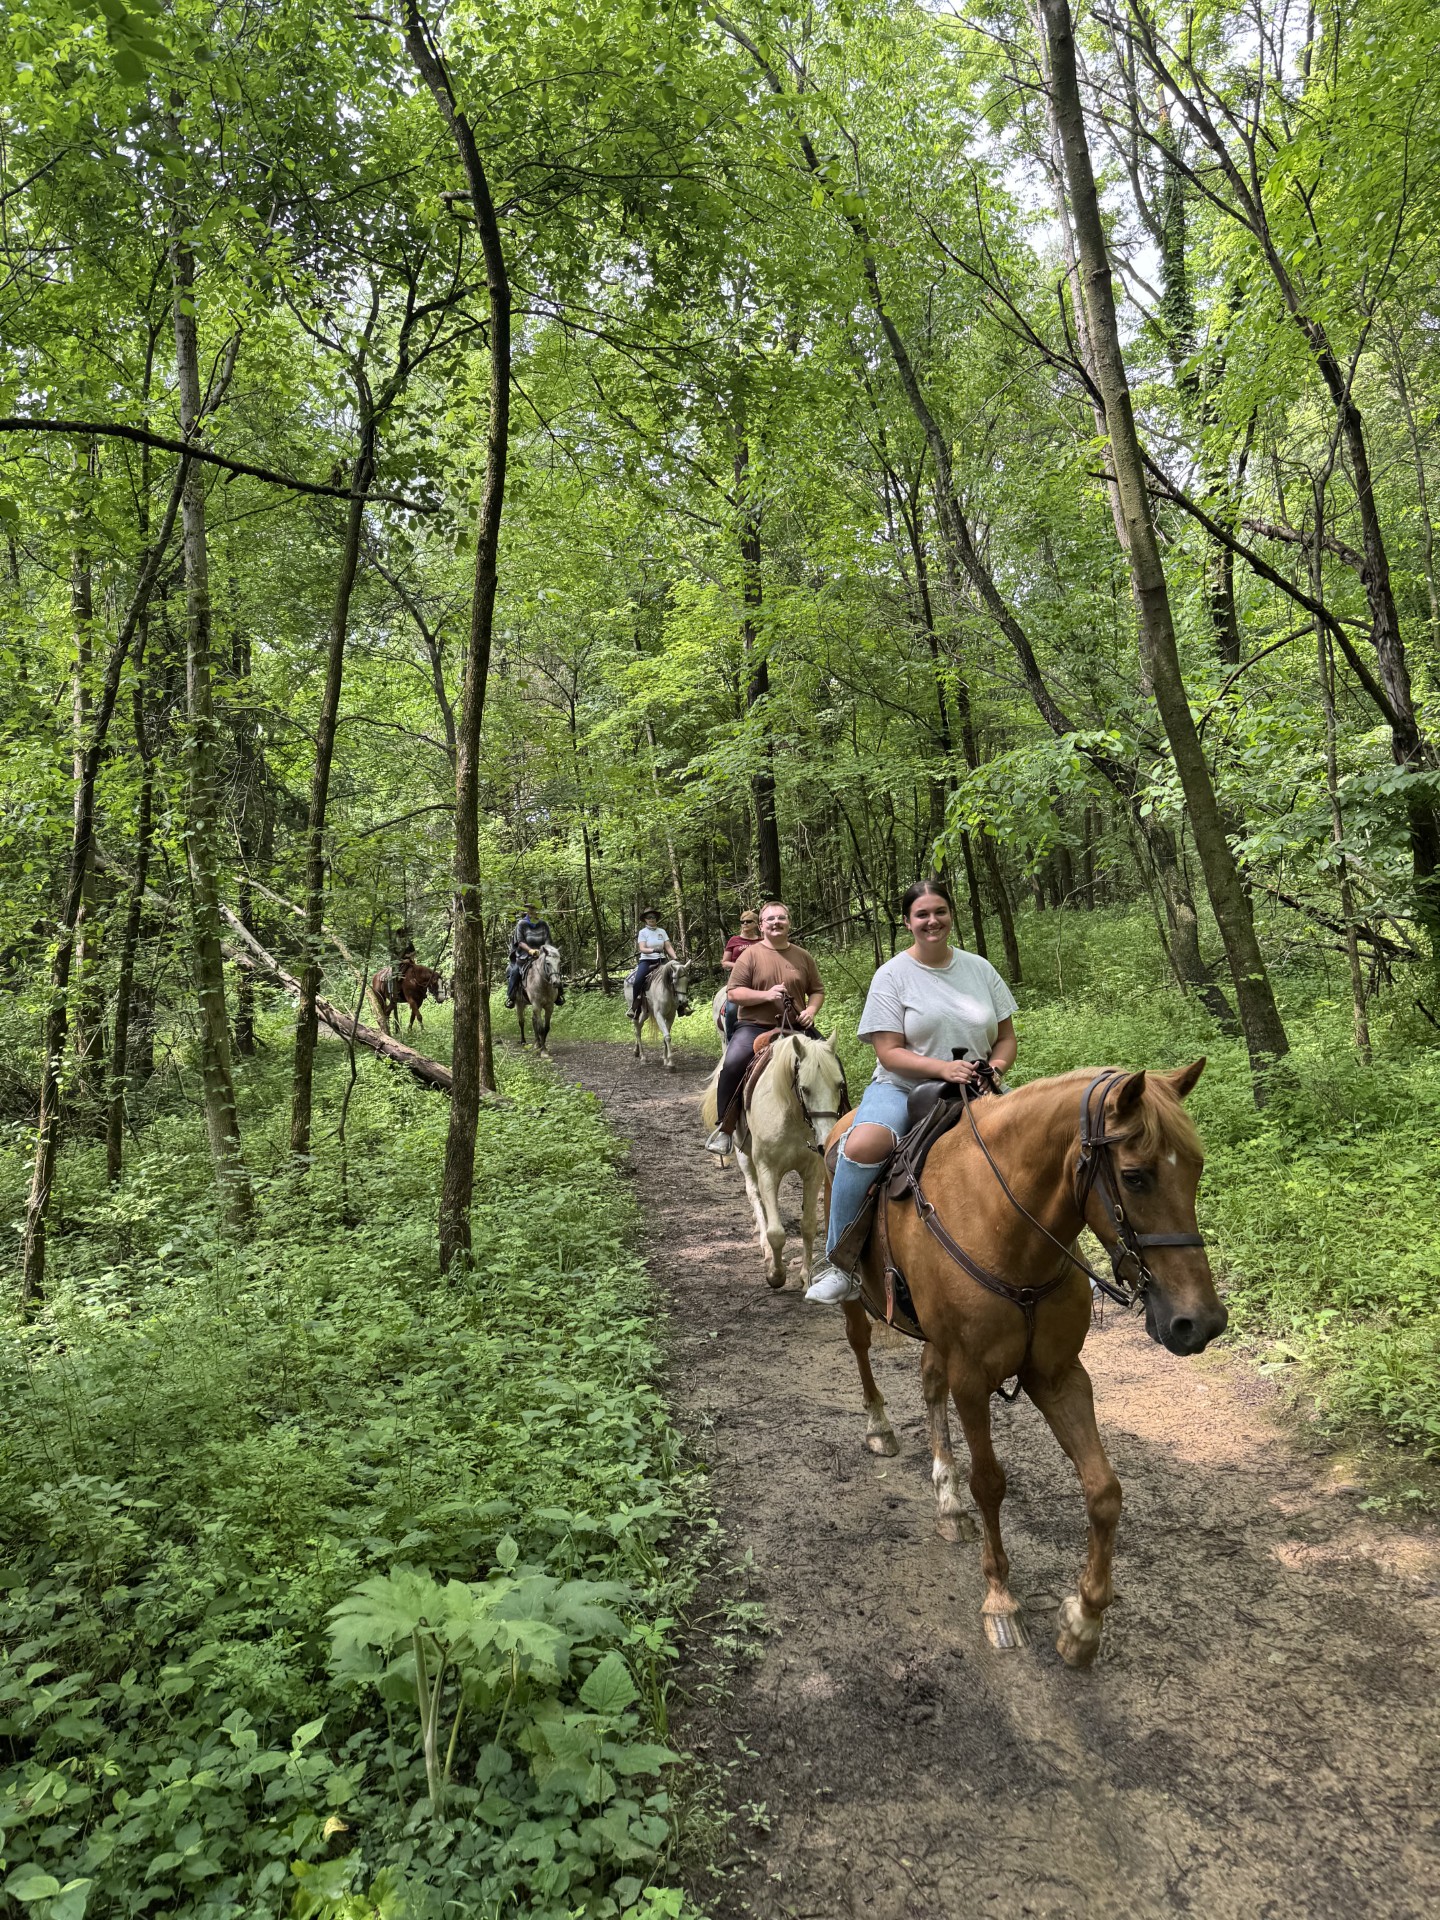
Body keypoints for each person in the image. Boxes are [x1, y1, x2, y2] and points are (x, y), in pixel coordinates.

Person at [804, 878, 1019, 1304]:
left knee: (1038, 1146)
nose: (932, 921)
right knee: (864, 1145)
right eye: (922, 914)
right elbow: (888, 1052)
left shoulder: (980, 969)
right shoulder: (892, 975)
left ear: (951, 915)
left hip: (975, 1084)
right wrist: (944, 1068)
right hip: (904, 1087)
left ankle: (1059, 1255)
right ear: (907, 922)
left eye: (940, 911)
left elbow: (1006, 1038)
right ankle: (840, 1263)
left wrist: (993, 1068)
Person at [705, 901, 825, 1155]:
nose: (776, 922)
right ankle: (725, 1129)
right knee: (733, 1063)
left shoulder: (803, 956)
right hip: (755, 1027)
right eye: (770, 919)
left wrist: (810, 1011)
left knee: (829, 1060)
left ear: (788, 922)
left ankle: (838, 1121)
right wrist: (766, 995)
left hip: (795, 1027)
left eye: (781, 918)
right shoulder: (749, 955)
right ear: (761, 925)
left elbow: (817, 990)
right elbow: (734, 992)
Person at [506, 900, 564, 1008]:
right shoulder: (521, 924)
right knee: (515, 972)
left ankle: (559, 995)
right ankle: (511, 997)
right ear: (527, 911)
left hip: (542, 955)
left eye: (534, 909)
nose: (533, 911)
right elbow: (520, 941)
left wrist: (544, 950)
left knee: (554, 969)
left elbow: (548, 940)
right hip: (524, 956)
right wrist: (530, 950)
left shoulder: (543, 924)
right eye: (530, 909)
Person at [625, 909, 677, 1015]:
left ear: (656, 918)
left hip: (661, 959)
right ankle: (634, 1007)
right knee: (638, 980)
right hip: (646, 960)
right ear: (645, 919)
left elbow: (668, 946)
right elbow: (642, 948)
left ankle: (681, 1005)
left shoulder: (662, 931)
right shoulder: (643, 932)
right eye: (649, 917)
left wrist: (675, 958)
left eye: (653, 917)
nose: (651, 919)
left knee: (678, 977)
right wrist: (653, 950)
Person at [720, 909, 761, 1039]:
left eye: (748, 921)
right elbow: (725, 962)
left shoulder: (762, 941)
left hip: (758, 980)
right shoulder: (734, 940)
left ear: (756, 924)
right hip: (738, 981)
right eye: (742, 921)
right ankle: (730, 1038)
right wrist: (741, 967)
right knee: (732, 1010)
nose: (744, 924)